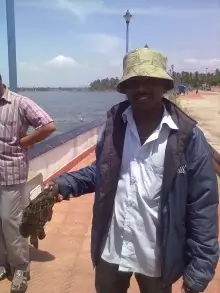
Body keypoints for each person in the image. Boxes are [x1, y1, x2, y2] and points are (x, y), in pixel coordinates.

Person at [51, 48, 218, 293]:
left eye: (150, 81)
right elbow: (101, 172)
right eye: (134, 82)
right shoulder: (113, 129)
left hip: (157, 257)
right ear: (125, 88)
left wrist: (199, 271)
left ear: (164, 86)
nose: (141, 88)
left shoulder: (189, 138)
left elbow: (202, 205)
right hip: (112, 249)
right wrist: (66, 182)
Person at [0, 74, 56, 292]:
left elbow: (49, 125)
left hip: (11, 174)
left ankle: (21, 268)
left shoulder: (20, 103)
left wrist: (26, 141)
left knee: (12, 223)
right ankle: (3, 264)